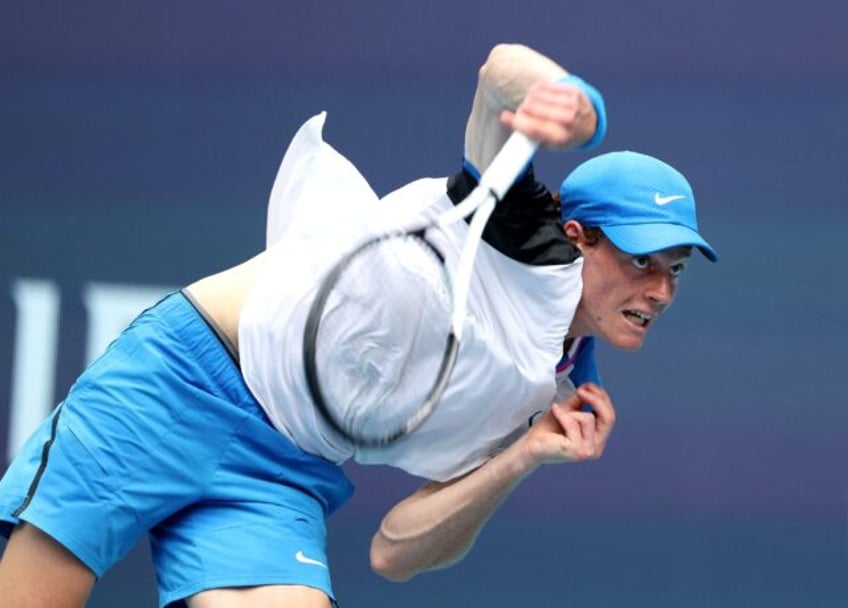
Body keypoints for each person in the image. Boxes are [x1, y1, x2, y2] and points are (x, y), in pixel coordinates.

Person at [0, 43, 716, 608]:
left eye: (674, 270)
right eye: (641, 259)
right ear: (578, 236)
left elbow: (395, 552)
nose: (658, 290)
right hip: (183, 381)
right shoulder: (521, 234)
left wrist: (524, 455)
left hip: (281, 469)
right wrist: (575, 101)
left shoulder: (557, 395)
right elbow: (499, 72)